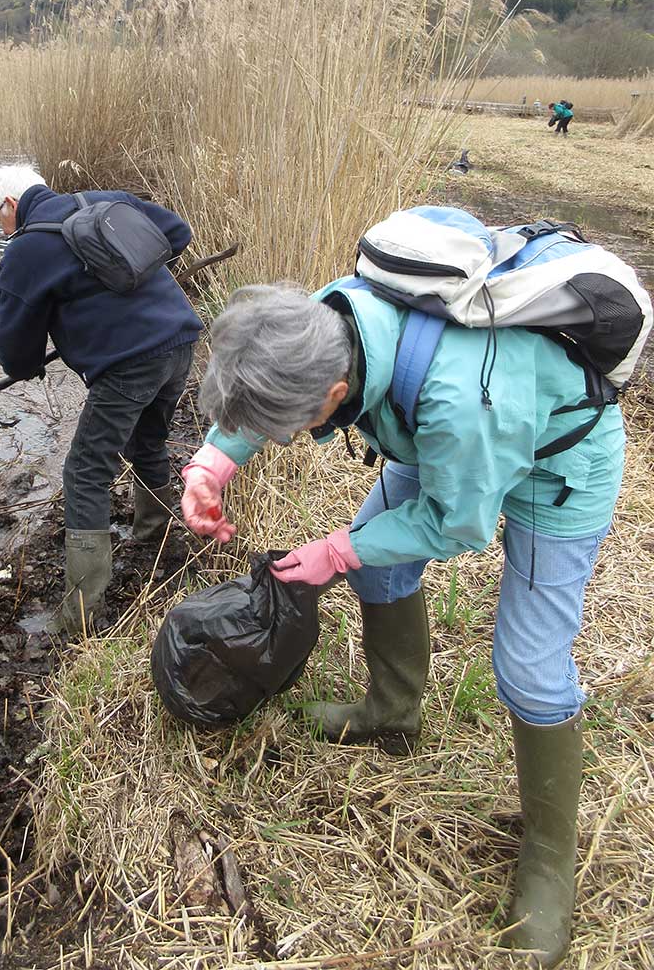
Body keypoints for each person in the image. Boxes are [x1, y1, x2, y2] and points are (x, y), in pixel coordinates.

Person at [180, 282, 624, 968]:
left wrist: (334, 550)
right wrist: (211, 464)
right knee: (379, 569)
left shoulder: (457, 402)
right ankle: (392, 711)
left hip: (557, 461)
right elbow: (266, 377)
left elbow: (459, 522)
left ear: (332, 395)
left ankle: (548, 861)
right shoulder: (326, 323)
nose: (288, 436)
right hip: (447, 439)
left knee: (531, 668)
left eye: (289, 426)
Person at [0, 163, 201, 632]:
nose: (0, 230)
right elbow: (176, 234)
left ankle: (81, 611)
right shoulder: (106, 199)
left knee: (85, 472)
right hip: (180, 341)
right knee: (146, 443)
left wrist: (29, 366)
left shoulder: (25, 249)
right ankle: (158, 536)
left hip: (130, 365)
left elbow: (13, 350)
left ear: (10, 206)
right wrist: (123, 276)